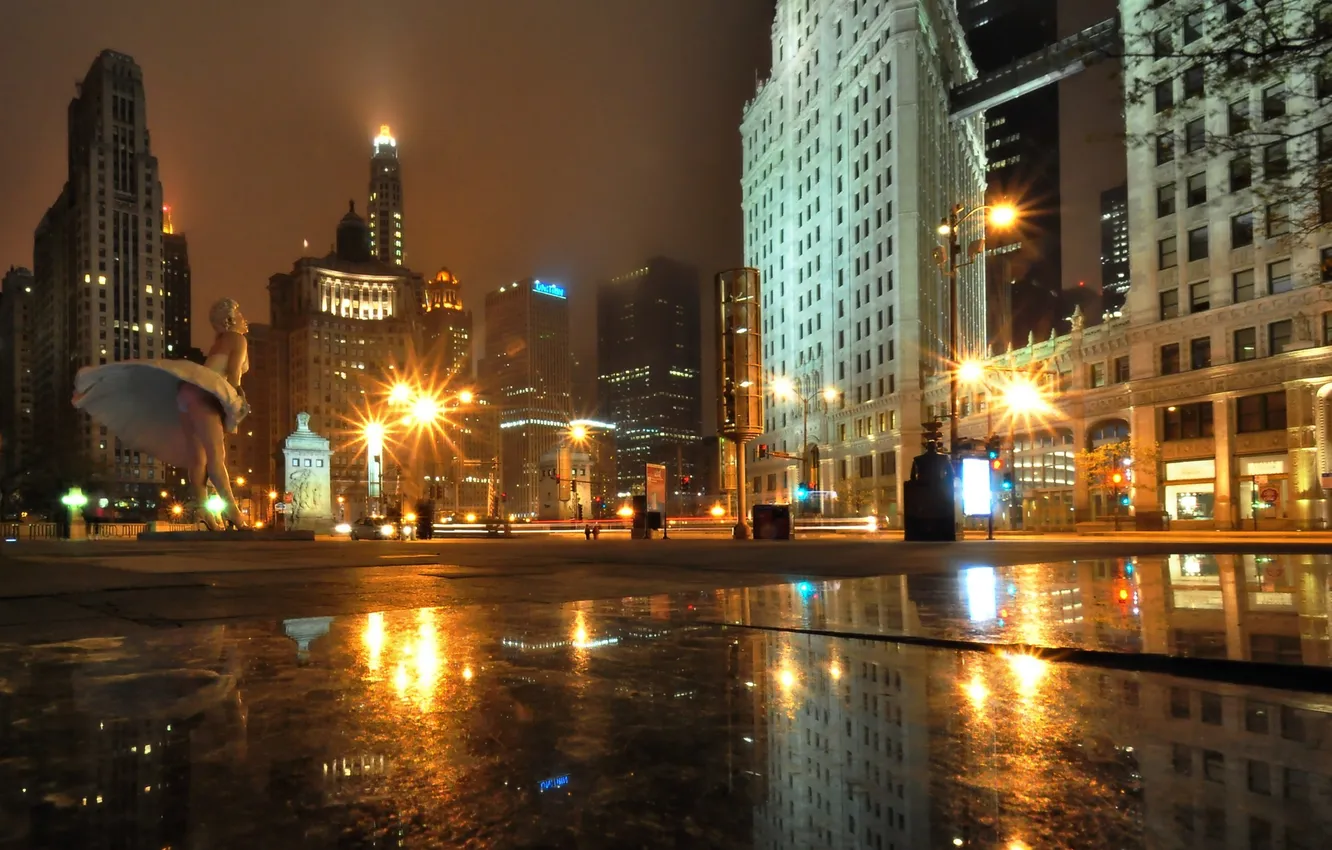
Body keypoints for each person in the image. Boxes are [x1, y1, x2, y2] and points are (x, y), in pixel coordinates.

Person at [73, 298, 252, 531]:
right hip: (203, 395)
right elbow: (235, 375)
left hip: (185, 395)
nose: (243, 319)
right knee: (216, 457)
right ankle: (234, 514)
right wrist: (239, 400)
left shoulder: (218, 342)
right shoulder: (237, 339)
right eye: (239, 315)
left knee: (198, 459)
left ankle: (203, 512)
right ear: (229, 320)